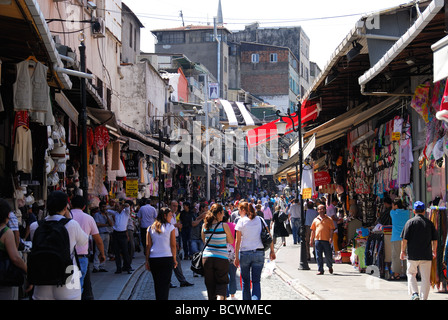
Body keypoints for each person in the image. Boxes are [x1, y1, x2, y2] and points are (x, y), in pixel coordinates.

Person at [29, 191, 88, 300]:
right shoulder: (72, 224)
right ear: (66, 207)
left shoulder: (35, 226)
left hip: (42, 276)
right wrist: (68, 217)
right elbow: (84, 241)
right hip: (69, 276)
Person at [234, 201, 275, 300]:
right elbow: (269, 236)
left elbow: (238, 240)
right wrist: (272, 251)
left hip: (245, 253)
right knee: (256, 281)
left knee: (245, 281)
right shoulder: (260, 219)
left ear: (244, 210)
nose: (239, 212)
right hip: (259, 253)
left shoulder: (241, 221)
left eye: (239, 210)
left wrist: (236, 257)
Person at [69, 195, 105, 299]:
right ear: (84, 207)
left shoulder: (67, 217)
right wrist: (102, 254)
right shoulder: (88, 218)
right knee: (77, 287)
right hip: (81, 257)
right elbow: (98, 240)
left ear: (71, 205)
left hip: (68, 257)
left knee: (70, 287)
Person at [400, 201, 437, 300]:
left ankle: (415, 293)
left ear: (414, 211)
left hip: (412, 254)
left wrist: (402, 251)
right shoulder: (429, 223)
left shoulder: (410, 222)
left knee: (411, 273)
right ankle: (424, 298)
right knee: (425, 278)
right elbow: (435, 239)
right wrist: (434, 251)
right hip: (426, 254)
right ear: (424, 211)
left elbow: (404, 239)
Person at [201, 204, 234, 300]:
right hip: (221, 258)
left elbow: (204, 241)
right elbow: (231, 241)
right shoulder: (224, 225)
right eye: (223, 213)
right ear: (219, 213)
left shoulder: (205, 225)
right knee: (222, 285)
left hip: (207, 258)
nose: (223, 215)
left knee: (210, 287)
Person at [145, 207, 178, 300]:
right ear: (165, 216)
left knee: (157, 283)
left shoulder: (150, 228)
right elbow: (173, 245)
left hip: (154, 258)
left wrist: (147, 260)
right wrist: (174, 259)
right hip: (166, 257)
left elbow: (148, 246)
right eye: (170, 215)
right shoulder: (170, 227)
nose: (171, 217)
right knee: (165, 283)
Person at [0, 199, 27, 300]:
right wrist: (27, 270)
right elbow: (15, 258)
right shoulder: (6, 232)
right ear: (7, 215)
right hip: (3, 278)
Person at [169, 200, 194, 287]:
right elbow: (167, 227)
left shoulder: (174, 215)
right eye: (173, 206)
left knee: (175, 262)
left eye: (176, 206)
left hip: (175, 238)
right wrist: (176, 226)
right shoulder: (169, 215)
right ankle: (181, 281)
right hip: (171, 240)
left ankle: (180, 281)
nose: (175, 207)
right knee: (174, 261)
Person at [310, 204, 335, 275]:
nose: (321, 211)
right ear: (317, 211)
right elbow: (313, 231)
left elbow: (331, 230)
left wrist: (331, 237)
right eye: (319, 209)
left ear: (325, 210)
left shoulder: (329, 219)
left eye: (322, 209)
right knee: (318, 256)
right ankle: (320, 270)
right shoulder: (315, 220)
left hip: (326, 240)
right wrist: (311, 240)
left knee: (328, 255)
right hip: (318, 240)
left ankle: (329, 266)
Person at [389, 198, 411, 280]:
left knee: (396, 256)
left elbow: (392, 210)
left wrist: (393, 208)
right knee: (406, 255)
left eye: (393, 205)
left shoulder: (392, 213)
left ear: (396, 205)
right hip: (406, 237)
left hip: (396, 237)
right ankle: (407, 272)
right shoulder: (407, 212)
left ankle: (396, 273)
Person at [110, 200, 133, 274]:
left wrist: (122, 204)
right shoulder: (115, 213)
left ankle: (128, 267)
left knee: (125, 251)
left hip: (123, 234)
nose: (117, 208)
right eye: (116, 207)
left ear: (121, 206)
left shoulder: (126, 213)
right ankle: (118, 268)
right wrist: (113, 206)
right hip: (116, 234)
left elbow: (127, 205)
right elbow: (107, 210)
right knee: (116, 252)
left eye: (118, 206)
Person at [93, 201, 114, 273]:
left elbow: (111, 224)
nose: (104, 208)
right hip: (100, 233)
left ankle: (102, 265)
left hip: (107, 234)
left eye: (105, 207)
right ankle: (96, 266)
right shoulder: (97, 215)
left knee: (105, 250)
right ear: (100, 207)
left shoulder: (107, 215)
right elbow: (97, 224)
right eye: (102, 207)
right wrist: (105, 225)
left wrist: (107, 216)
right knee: (98, 250)